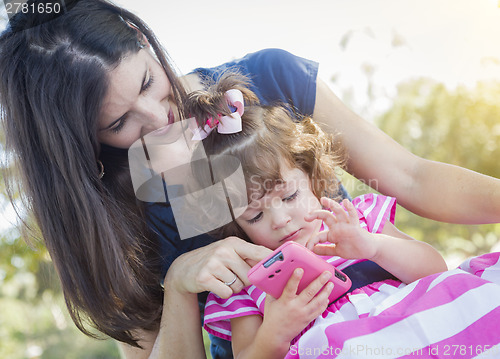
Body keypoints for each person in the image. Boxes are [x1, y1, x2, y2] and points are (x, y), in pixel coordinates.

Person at [0, 1, 498, 358]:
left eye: (149, 83)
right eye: (117, 124)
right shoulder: (107, 209)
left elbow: (410, 176)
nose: (157, 120)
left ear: (145, 42)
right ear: (85, 143)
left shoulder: (268, 79)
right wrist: (179, 287)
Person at [184, 73, 447, 358]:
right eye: (255, 216)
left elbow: (436, 271)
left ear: (310, 173)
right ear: (233, 224)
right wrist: (276, 330)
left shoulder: (358, 218)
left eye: (289, 196)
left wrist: (373, 246)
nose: (280, 219)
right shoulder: (246, 283)